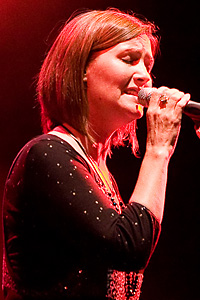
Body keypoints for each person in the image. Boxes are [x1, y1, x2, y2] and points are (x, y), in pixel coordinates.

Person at [2, 8, 191, 300]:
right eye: (129, 59)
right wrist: (158, 149)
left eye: (148, 65)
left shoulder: (101, 174)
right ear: (81, 70)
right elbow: (129, 246)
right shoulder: (47, 153)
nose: (145, 76)